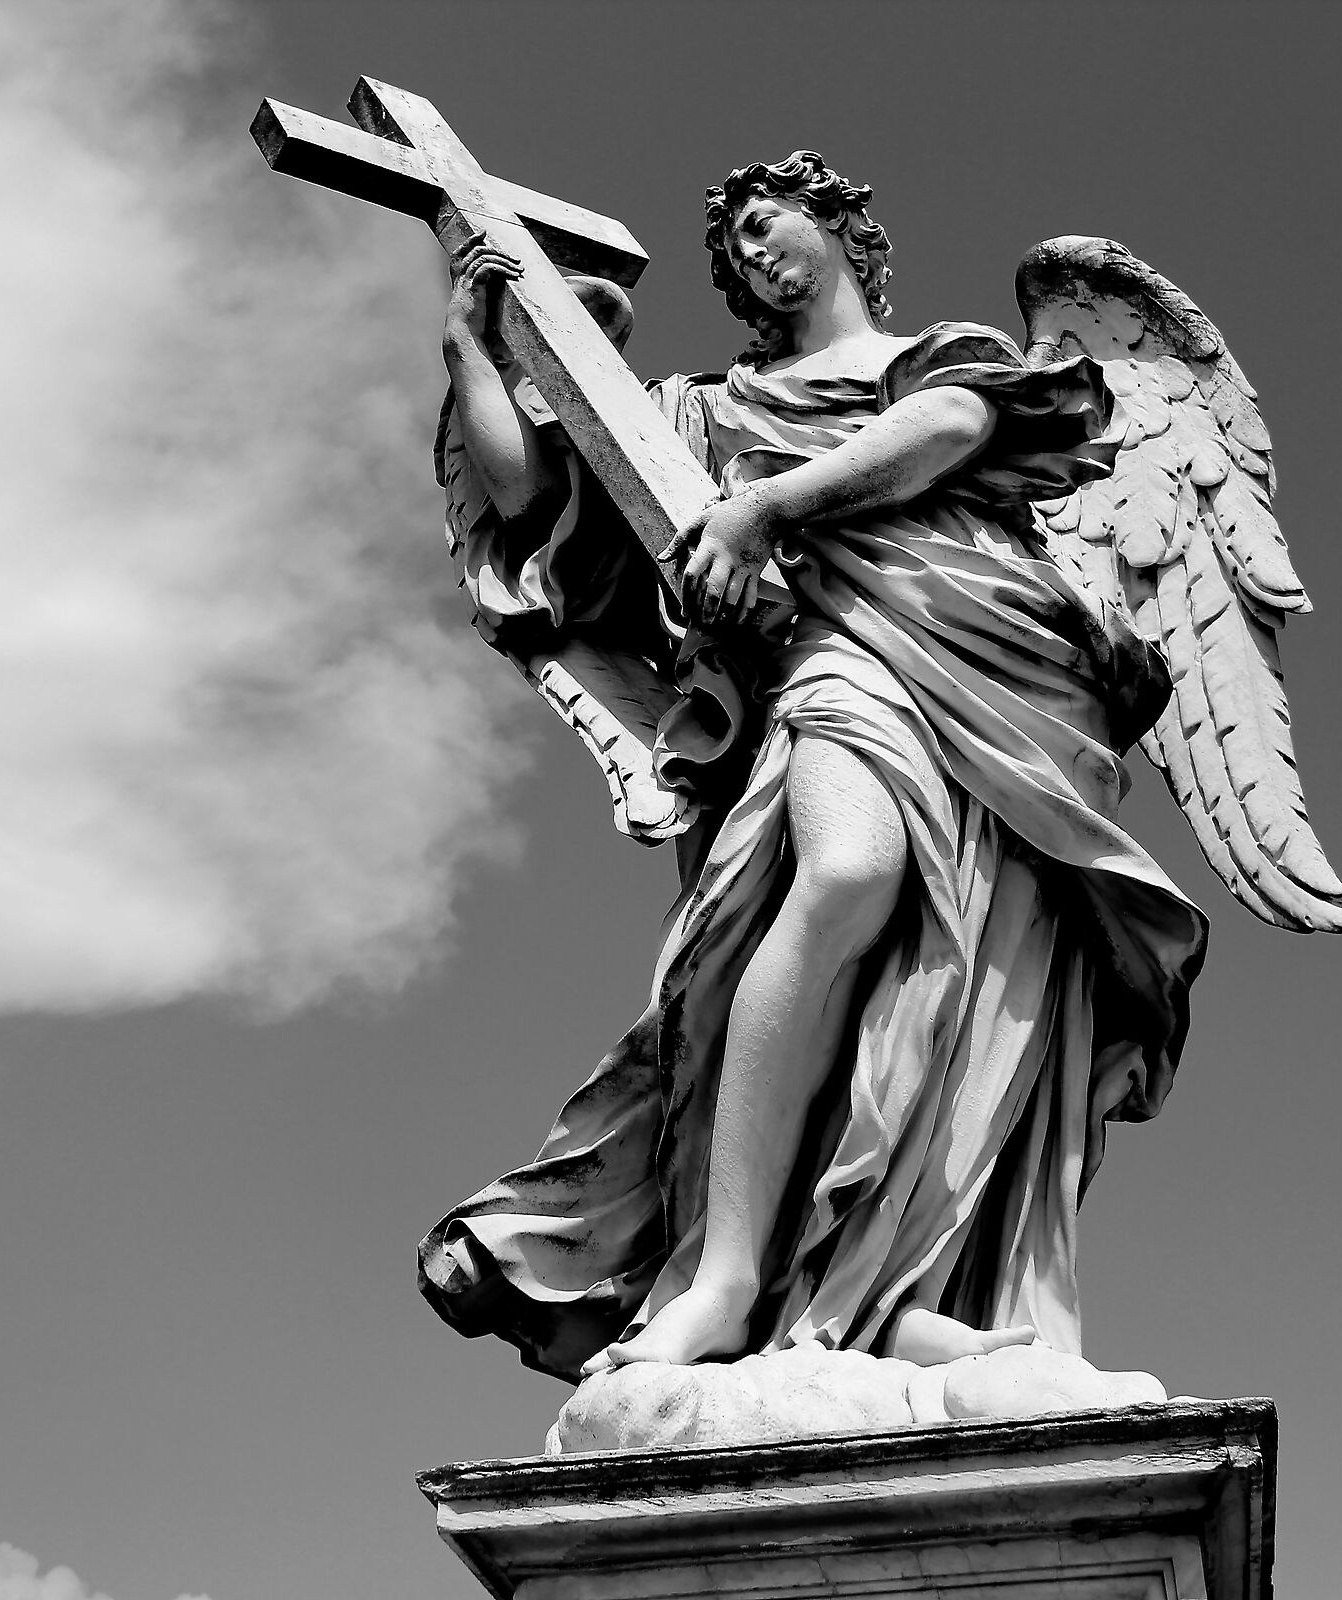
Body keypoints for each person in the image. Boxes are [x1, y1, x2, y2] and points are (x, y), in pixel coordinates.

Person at [420, 153, 1208, 1381]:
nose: (749, 251)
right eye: (729, 245)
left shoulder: (934, 356)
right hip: (838, 648)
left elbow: (951, 425)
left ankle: (895, 1292)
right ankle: (728, 1275)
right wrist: (482, 346)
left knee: (970, 975)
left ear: (841, 226)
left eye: (764, 220)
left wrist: (765, 510)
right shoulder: (698, 411)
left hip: (1010, 666)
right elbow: (533, 495)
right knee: (848, 872)